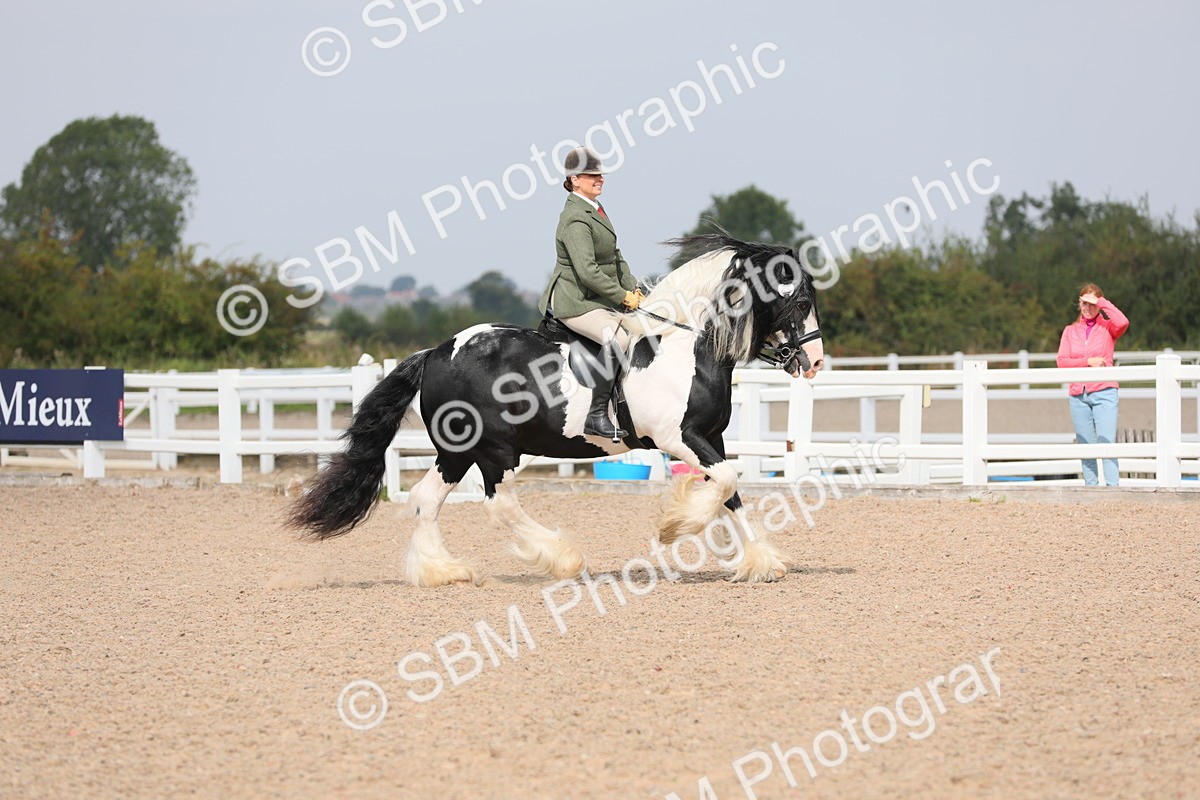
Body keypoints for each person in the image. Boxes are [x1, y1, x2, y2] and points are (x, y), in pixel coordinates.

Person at [537, 146, 643, 439]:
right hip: (575, 300)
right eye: (592, 175)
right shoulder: (574, 217)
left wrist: (633, 286)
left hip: (596, 297)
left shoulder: (595, 209)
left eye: (600, 174)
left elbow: (614, 255)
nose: (600, 179)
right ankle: (596, 416)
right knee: (618, 337)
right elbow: (587, 271)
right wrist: (621, 297)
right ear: (574, 179)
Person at [1056, 283, 1129, 486]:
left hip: (1104, 391)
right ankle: (1091, 489)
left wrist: (1102, 303)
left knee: (1107, 443)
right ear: (1079, 303)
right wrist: (1087, 362)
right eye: (1084, 303)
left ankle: (1113, 489)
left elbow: (1123, 322)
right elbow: (1062, 361)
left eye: (1092, 304)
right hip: (1078, 393)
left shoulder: (1107, 328)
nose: (1088, 308)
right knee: (1085, 447)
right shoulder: (1070, 331)